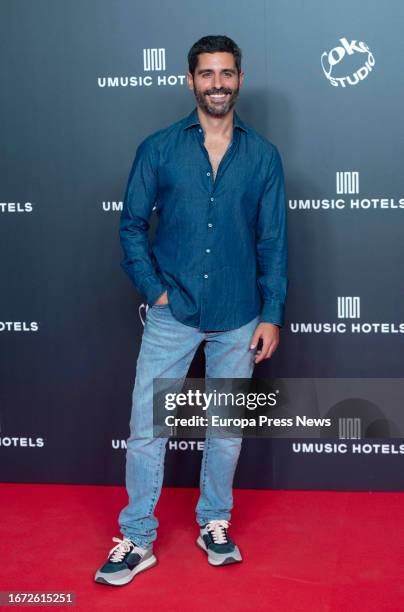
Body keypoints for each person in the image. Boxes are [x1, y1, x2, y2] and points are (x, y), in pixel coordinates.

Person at [95, 34, 288, 586]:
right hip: (171, 313)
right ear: (191, 80)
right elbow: (131, 225)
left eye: (226, 73)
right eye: (207, 74)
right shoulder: (158, 148)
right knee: (146, 432)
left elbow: (273, 242)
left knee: (225, 431)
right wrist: (155, 289)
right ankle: (137, 538)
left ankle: (214, 522)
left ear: (240, 80)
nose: (217, 84)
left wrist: (271, 312)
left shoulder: (264, 156)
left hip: (241, 315)